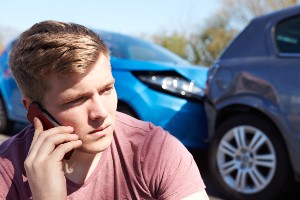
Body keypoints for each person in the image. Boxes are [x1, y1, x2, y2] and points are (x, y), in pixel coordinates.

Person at [0, 20, 209, 200]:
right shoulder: (6, 172)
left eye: (107, 89)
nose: (101, 112)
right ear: (33, 110)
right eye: (77, 100)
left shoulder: (156, 149)